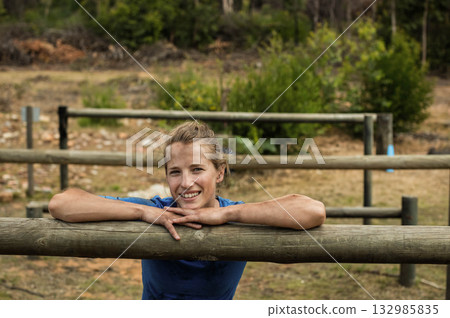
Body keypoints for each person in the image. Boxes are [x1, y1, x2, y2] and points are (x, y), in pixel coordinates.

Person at [48, 121, 326, 300]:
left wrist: (228, 215)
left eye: (197, 170)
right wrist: (143, 214)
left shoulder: (236, 214)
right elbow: (62, 203)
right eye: (175, 172)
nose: (185, 183)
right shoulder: (156, 210)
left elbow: (312, 211)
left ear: (220, 173)